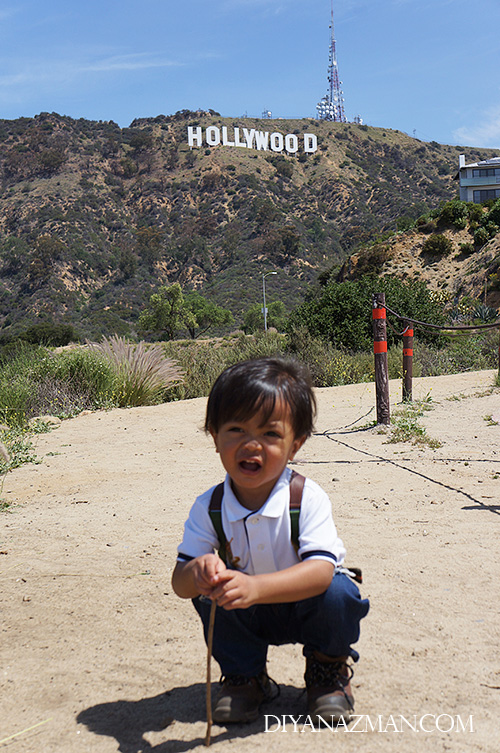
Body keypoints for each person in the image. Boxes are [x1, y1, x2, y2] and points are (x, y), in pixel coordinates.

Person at [171, 357, 369, 725]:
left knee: (341, 592)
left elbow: (321, 573)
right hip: (246, 612)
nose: (252, 445)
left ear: (296, 444)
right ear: (215, 437)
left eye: (270, 434)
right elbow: (180, 582)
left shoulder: (306, 497)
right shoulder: (209, 507)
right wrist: (198, 571)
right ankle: (245, 678)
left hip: (307, 606)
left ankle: (326, 673)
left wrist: (256, 587)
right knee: (209, 594)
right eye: (236, 430)